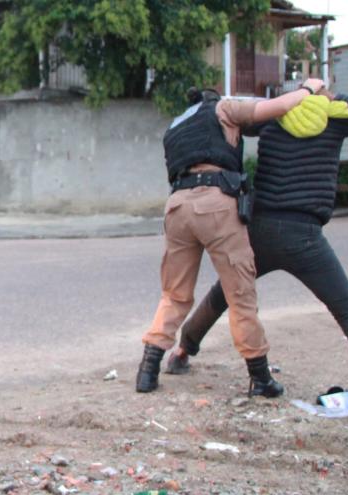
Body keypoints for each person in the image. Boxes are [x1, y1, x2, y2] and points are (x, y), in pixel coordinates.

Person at [165, 87, 348, 435]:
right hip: (305, 234)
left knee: (225, 293)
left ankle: (182, 352)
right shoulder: (334, 119)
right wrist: (337, 98)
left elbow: (242, 120)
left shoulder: (272, 120)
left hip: (261, 229)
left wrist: (287, 100)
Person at [136, 78, 326, 396]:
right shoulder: (223, 109)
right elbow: (277, 107)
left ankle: (147, 371)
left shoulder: (176, 126)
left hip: (176, 207)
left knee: (174, 295)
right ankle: (261, 379)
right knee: (240, 295)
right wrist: (307, 89)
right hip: (216, 204)